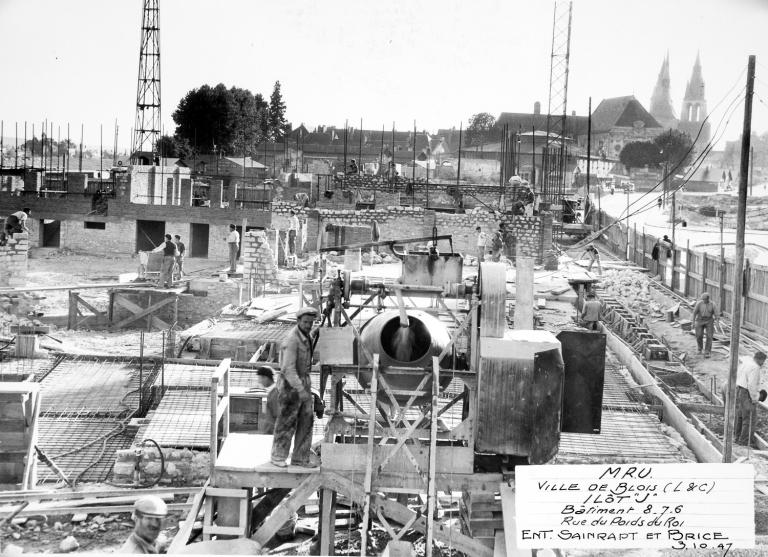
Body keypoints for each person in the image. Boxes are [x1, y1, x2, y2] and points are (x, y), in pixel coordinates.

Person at [271, 307, 320, 468]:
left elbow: (309, 339)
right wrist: (301, 390)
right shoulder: (291, 340)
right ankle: (278, 456)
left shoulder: (306, 336)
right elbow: (288, 369)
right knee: (287, 422)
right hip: (290, 386)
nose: (308, 325)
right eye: (305, 322)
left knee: (307, 421)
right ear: (298, 321)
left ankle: (300, 458)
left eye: (311, 323)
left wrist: (317, 331)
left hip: (303, 382)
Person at [734, 351, 768, 446]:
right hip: (747, 393)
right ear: (760, 359)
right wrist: (754, 398)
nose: (762, 364)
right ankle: (744, 441)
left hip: (740, 390)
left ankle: (737, 438)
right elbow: (752, 385)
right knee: (749, 419)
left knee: (740, 416)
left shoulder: (746, 363)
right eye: (763, 361)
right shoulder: (755, 367)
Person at [692, 292, 718, 357]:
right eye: (702, 299)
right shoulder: (699, 303)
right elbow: (694, 313)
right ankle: (700, 348)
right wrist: (693, 322)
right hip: (700, 320)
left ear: (708, 299)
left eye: (705, 299)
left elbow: (716, 314)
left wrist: (717, 322)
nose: (703, 300)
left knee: (709, 336)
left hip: (709, 320)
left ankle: (707, 351)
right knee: (699, 335)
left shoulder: (713, 304)